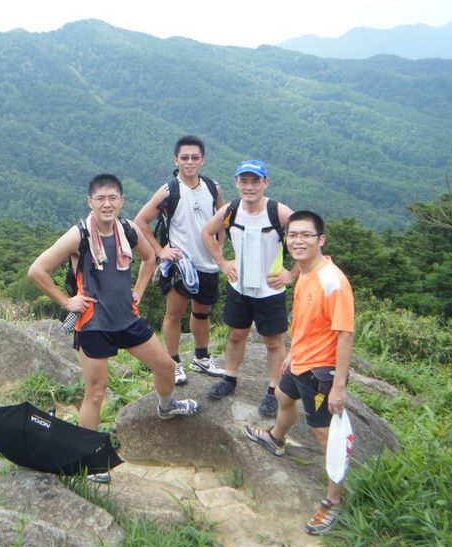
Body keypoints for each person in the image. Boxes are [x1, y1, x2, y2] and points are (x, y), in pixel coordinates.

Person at [28, 174, 202, 476]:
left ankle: (166, 406)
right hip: (93, 324)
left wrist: (139, 290)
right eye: (100, 199)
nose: (107, 204)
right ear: (90, 202)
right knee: (95, 392)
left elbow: (149, 259)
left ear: (121, 201)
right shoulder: (79, 235)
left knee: (165, 367)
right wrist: (67, 302)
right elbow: (37, 270)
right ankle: (89, 459)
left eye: (112, 198)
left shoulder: (128, 229)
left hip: (126, 319)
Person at [243, 210, 354, 535]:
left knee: (323, 432)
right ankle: (276, 438)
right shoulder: (305, 272)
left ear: (321, 240)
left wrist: (338, 386)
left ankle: (333, 500)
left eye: (306, 235)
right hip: (301, 359)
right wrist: (292, 352)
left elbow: (344, 335)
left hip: (321, 371)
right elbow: (307, 322)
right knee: (282, 395)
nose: (298, 241)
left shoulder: (333, 282)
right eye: (293, 235)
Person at [200, 159, 295, 415]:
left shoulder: (278, 211)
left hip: (270, 290)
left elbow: (309, 237)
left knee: (273, 342)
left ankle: (274, 390)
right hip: (239, 288)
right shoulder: (231, 210)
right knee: (235, 334)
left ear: (265, 183)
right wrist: (222, 263)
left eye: (255, 181)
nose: (249, 187)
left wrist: (292, 274)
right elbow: (207, 232)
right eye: (244, 181)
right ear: (236, 183)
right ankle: (229, 378)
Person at [134, 135, 226, 386]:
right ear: (176, 160)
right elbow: (140, 221)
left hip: (207, 262)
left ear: (202, 160)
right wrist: (160, 251)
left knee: (202, 312)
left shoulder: (212, 187)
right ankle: (173, 362)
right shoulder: (169, 190)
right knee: (174, 314)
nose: (190, 162)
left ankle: (201, 357)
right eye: (184, 157)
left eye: (195, 157)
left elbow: (224, 217)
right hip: (181, 264)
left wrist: (219, 247)